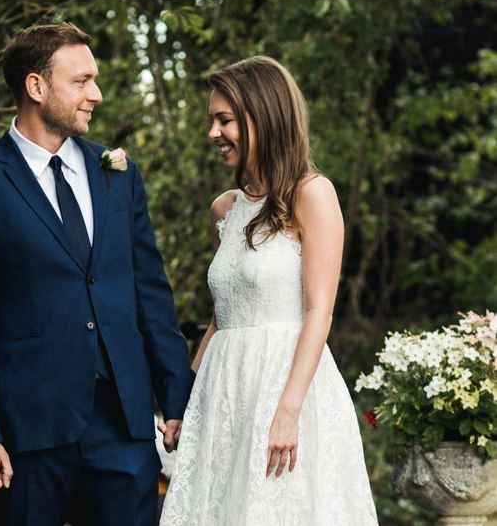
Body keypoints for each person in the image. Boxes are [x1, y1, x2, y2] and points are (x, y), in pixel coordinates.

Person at [0, 22, 194, 525]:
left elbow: (150, 294)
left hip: (124, 425)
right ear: (36, 87)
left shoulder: (119, 172)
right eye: (81, 81)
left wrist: (176, 397)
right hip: (27, 433)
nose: (96, 94)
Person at [159, 56, 378, 525]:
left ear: (265, 116)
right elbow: (222, 317)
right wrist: (185, 399)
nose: (213, 133)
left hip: (286, 383)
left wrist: (287, 411)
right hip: (223, 389)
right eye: (211, 121)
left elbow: (320, 310)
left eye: (225, 120)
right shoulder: (225, 209)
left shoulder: (312, 195)